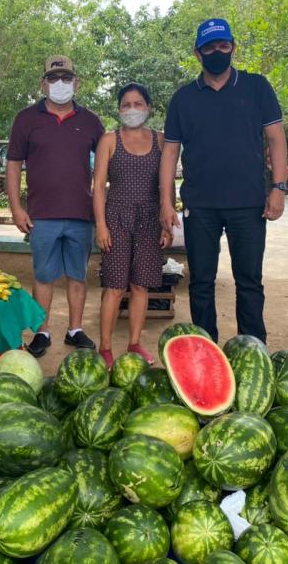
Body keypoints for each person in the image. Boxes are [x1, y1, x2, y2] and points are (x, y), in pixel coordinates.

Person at [160, 18, 288, 344]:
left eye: (223, 45)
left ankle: (253, 348)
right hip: (200, 206)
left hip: (248, 204)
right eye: (209, 47)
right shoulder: (183, 99)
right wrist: (166, 202)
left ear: (233, 47)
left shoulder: (257, 87)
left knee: (249, 282)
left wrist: (278, 188)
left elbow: (276, 138)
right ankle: (206, 351)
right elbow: (170, 152)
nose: (217, 52)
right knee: (201, 283)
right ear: (197, 53)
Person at [6, 55, 105, 357]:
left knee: (78, 275)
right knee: (43, 276)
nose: (60, 83)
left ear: (77, 83)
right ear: (43, 84)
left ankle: (75, 330)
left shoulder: (91, 121)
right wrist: (16, 208)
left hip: (81, 214)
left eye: (66, 78)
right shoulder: (26, 119)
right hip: (41, 216)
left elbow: (105, 166)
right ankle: (42, 331)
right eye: (53, 78)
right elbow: (13, 165)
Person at [94, 83, 171, 367]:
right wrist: (101, 225)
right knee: (114, 287)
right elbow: (98, 187)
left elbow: (167, 185)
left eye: (138, 104)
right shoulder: (109, 140)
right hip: (116, 219)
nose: (132, 109)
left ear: (148, 107)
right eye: (126, 105)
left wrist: (166, 224)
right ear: (119, 110)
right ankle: (105, 348)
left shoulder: (161, 141)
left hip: (150, 220)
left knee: (141, 286)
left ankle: (135, 343)